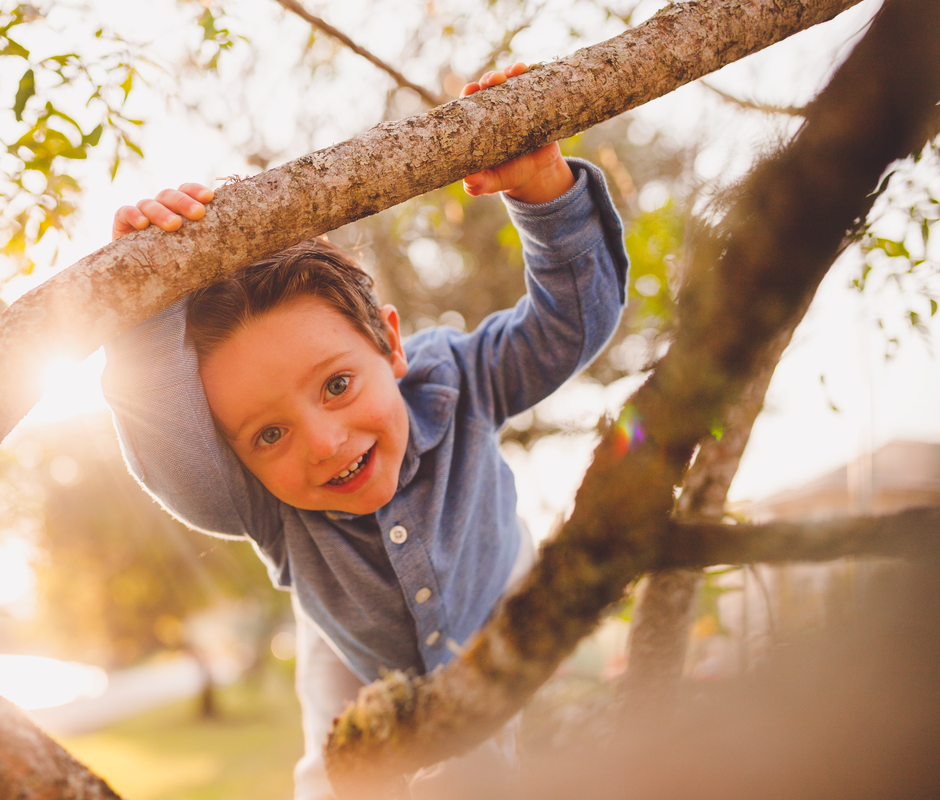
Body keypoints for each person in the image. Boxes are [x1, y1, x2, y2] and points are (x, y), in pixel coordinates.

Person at [103, 63, 628, 799]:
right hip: (354, 661)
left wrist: (541, 186)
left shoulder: (462, 380)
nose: (322, 442)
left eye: (338, 385)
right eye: (267, 436)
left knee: (515, 760)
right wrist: (141, 304)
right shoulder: (266, 508)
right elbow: (178, 462)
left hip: (499, 611)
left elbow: (568, 327)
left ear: (389, 344)